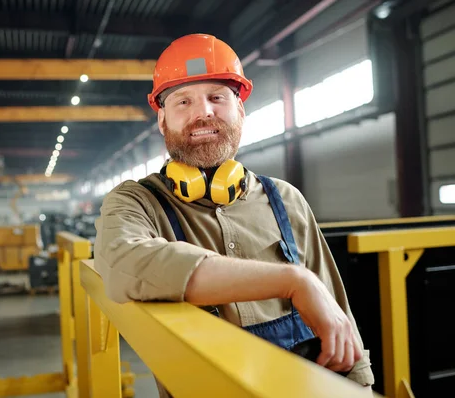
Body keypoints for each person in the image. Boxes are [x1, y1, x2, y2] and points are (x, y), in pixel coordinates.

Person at [94, 33, 374, 395]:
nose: (203, 112)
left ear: (240, 109)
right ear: (161, 120)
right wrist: (292, 280)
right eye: (183, 101)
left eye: (217, 97)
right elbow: (122, 263)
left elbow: (339, 323)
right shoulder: (136, 203)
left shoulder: (285, 200)